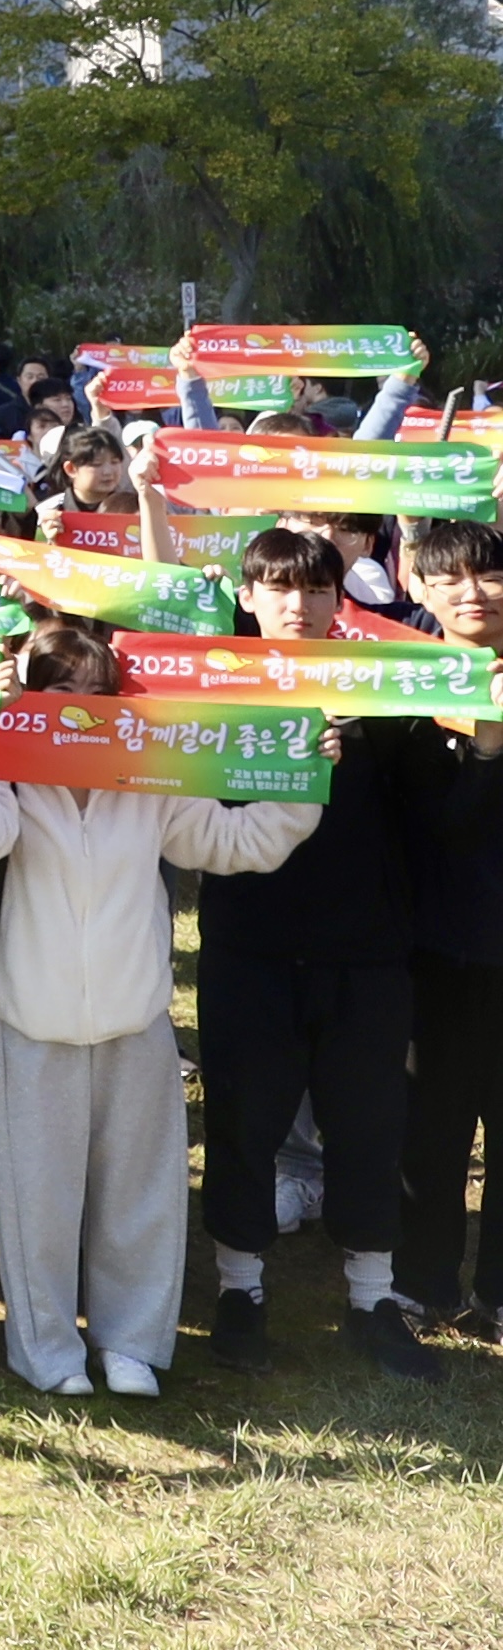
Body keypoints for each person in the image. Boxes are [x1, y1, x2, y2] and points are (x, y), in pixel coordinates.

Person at [0, 616, 311, 1397]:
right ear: (31, 697)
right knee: (38, 1203)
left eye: (98, 693)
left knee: (142, 1196)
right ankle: (50, 1352)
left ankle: (132, 1343)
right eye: (60, 691)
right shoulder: (9, 776)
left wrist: (304, 779)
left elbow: (237, 843)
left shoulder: (147, 777)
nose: (82, 709)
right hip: (30, 1023)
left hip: (136, 1023)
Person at [192, 525, 451, 1379]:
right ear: (247, 597)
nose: (295, 605)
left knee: (369, 1128)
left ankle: (372, 1300)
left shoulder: (379, 692)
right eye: (277, 588)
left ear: (337, 601)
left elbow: (425, 813)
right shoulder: (216, 687)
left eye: (312, 590)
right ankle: (240, 1290)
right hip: (250, 949)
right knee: (242, 1125)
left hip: (367, 956)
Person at [395, 516, 503, 1334]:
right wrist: (488, 744)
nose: (475, 593)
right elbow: (428, 828)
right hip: (434, 944)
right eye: (453, 579)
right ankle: (425, 1281)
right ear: (420, 587)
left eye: (490, 576)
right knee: (432, 1125)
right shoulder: (405, 687)